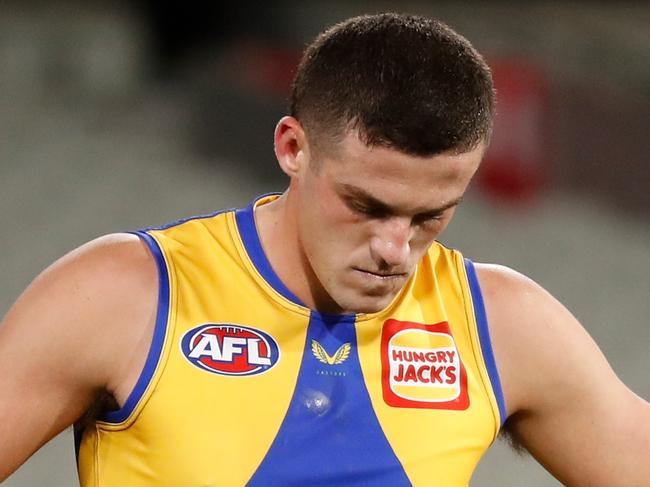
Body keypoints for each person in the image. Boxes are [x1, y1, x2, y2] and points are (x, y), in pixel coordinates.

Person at [1, 12, 648, 487]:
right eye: (366, 205)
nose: (396, 248)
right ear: (292, 147)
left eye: (431, 215)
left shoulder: (504, 325)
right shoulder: (124, 294)